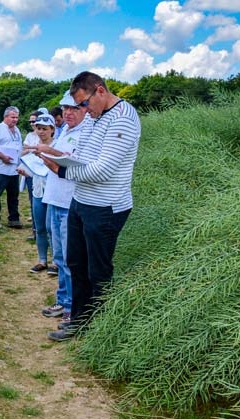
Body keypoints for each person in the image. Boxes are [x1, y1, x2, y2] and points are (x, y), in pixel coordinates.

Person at [33, 71, 141, 342]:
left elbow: (102, 169)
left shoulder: (124, 118)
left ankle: (100, 332)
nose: (83, 109)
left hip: (105, 207)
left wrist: (62, 171)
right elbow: (82, 157)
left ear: (100, 91)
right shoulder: (97, 117)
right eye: (79, 105)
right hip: (81, 201)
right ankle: (78, 322)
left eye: (84, 103)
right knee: (76, 263)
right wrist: (62, 161)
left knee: (98, 271)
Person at [39, 92, 93, 324]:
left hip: (69, 203)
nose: (68, 113)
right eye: (65, 109)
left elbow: (78, 162)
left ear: (85, 109)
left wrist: (52, 153)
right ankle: (63, 300)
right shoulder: (66, 132)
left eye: (73, 108)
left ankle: (73, 306)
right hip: (55, 199)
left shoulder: (87, 132)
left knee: (72, 259)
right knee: (59, 257)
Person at [18, 114, 55, 273]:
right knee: (39, 227)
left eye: (44, 129)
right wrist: (24, 171)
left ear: (52, 130)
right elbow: (29, 167)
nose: (41, 132)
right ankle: (42, 260)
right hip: (38, 191)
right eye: (38, 128)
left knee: (52, 228)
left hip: (53, 193)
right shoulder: (32, 147)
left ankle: (56, 261)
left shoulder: (57, 147)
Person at [0, 106, 23, 228]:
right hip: (0, 168)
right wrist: (3, 157)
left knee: (13, 196)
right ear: (5, 117)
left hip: (14, 169)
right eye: (12, 117)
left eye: (17, 117)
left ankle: (14, 219)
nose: (15, 120)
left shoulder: (17, 130)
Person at [22, 110, 42, 240]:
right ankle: (35, 231)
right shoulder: (29, 135)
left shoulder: (50, 134)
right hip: (30, 171)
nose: (32, 124)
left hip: (44, 173)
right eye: (30, 121)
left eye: (34, 121)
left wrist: (31, 148)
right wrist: (33, 148)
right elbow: (23, 152)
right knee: (33, 201)